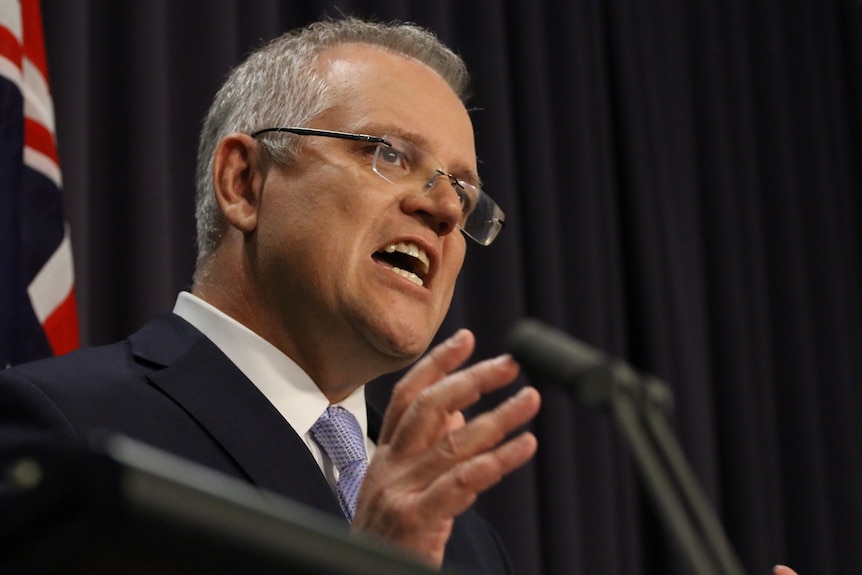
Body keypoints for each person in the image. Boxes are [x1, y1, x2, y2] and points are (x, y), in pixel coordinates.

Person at [0, 16, 541, 574]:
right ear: (244, 182)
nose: (448, 210)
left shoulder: (465, 539)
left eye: (463, 189)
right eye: (390, 154)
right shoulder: (65, 429)